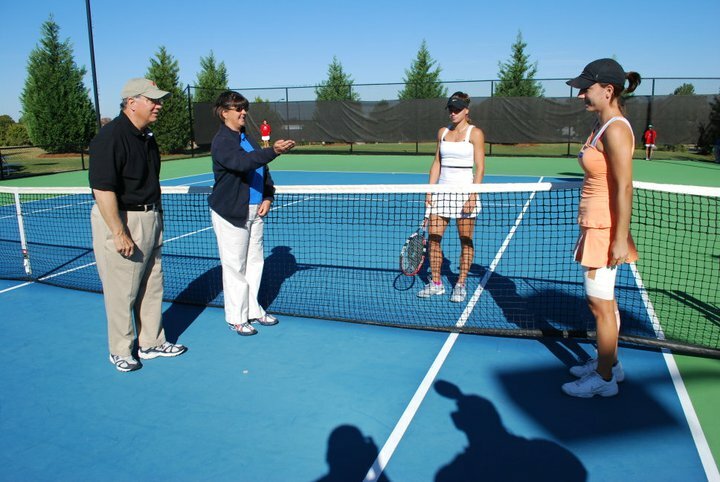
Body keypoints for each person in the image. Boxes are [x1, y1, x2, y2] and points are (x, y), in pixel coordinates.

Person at [89, 78, 187, 372]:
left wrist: (155, 216)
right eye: (152, 100)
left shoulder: (146, 136)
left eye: (159, 101)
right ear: (132, 103)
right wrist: (119, 232)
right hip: (124, 219)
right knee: (123, 291)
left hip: (151, 217)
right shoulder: (110, 138)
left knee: (152, 285)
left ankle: (152, 342)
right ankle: (120, 350)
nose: (159, 105)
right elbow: (103, 189)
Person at [562, 58, 641, 398]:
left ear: (608, 91)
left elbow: (624, 186)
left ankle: (605, 380)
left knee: (600, 306)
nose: (581, 95)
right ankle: (610, 364)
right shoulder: (601, 125)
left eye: (586, 89)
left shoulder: (617, 129)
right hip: (594, 224)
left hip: (605, 230)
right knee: (603, 304)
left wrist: (619, 239)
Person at [209, 91, 295, 336]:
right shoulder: (223, 141)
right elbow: (242, 163)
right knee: (235, 265)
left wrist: (268, 195)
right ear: (224, 112)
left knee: (255, 263)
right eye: (238, 108)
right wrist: (274, 151)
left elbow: (261, 169)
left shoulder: (246, 137)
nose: (243, 112)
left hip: (255, 210)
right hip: (231, 211)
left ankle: (253, 310)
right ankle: (236, 317)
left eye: (244, 108)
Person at [417, 92, 485, 303]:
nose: (453, 112)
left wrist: (474, 194)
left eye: (457, 109)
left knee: (465, 241)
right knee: (434, 241)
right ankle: (436, 283)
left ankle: (461, 284)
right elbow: (436, 163)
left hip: (465, 193)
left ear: (466, 110)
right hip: (442, 193)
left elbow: (480, 166)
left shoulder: (475, 134)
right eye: (450, 109)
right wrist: (430, 191)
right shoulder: (442, 132)